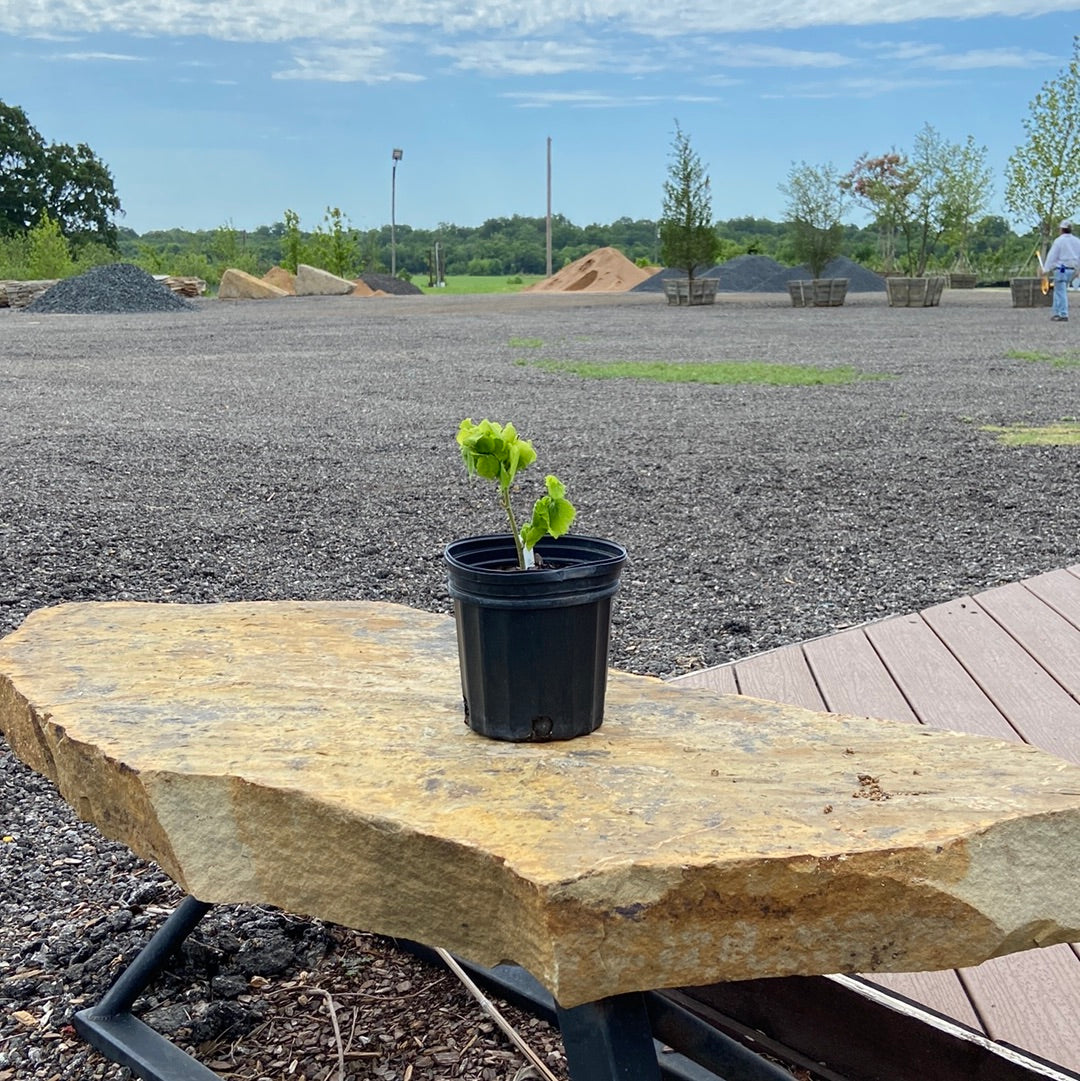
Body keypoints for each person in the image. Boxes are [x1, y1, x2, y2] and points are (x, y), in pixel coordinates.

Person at [1043, 220, 1080, 321]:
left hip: (1061, 269)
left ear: (1061, 229)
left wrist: (1046, 269)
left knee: (1060, 292)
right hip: (1072, 269)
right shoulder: (1077, 241)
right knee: (1058, 291)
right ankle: (1056, 312)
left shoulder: (1059, 241)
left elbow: (1052, 256)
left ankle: (1063, 313)